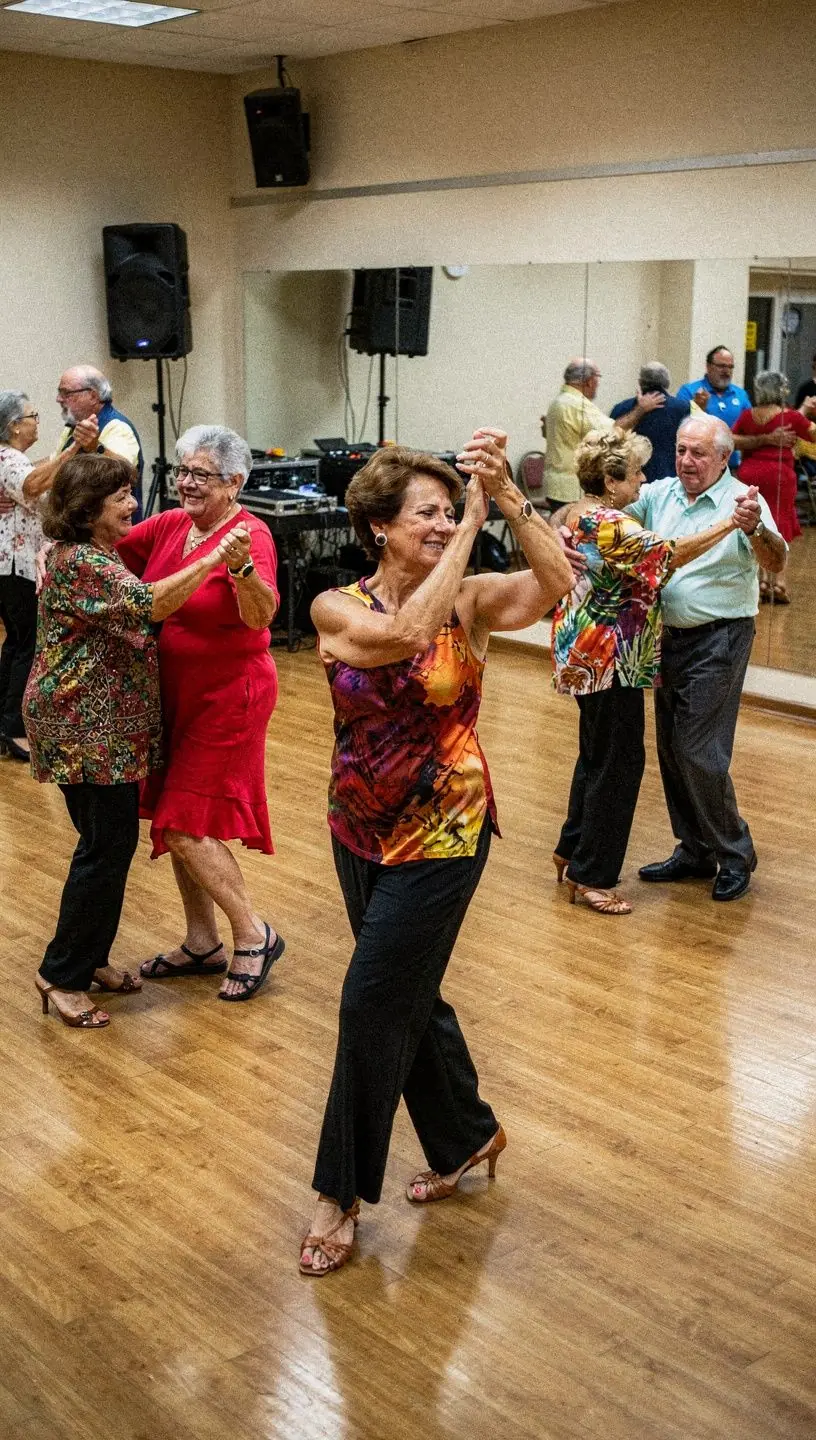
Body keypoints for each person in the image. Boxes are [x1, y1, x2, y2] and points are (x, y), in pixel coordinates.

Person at [299, 430, 573, 1277]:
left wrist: (507, 503)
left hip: (445, 833)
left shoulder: (472, 601)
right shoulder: (334, 606)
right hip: (358, 824)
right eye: (427, 512)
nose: (444, 522)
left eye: (449, 511)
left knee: (370, 1002)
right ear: (377, 524)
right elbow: (404, 636)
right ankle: (466, 1134)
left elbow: (559, 585)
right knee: (408, 992)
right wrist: (471, 526)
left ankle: (337, 1195)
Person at [24, 453, 250, 1029]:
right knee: (104, 850)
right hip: (84, 726)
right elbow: (150, 603)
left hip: (95, 725)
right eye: (121, 496)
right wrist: (213, 558)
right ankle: (63, 974)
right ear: (87, 507)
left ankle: (90, 958)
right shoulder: (83, 561)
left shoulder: (91, 555)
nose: (133, 505)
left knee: (108, 844)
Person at [116, 425, 285, 1002]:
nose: (185, 483)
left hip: (230, 694)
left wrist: (240, 573)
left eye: (200, 475)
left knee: (184, 823)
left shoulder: (250, 536)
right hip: (175, 694)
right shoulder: (171, 525)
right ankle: (201, 941)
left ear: (234, 483)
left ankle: (252, 934)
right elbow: (108, 549)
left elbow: (261, 617)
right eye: (182, 471)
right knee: (174, 811)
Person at [551, 428, 745, 915]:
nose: (645, 479)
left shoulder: (587, 514)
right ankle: (592, 876)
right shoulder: (610, 522)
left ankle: (571, 848)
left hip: (590, 651)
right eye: (637, 472)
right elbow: (668, 556)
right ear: (613, 480)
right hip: (609, 656)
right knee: (619, 764)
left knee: (595, 754)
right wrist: (727, 525)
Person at [631, 417, 786, 902]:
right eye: (680, 450)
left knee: (699, 750)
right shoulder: (660, 495)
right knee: (673, 752)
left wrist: (756, 528)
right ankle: (695, 849)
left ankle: (735, 854)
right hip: (667, 639)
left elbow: (776, 560)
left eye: (698, 453)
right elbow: (611, 511)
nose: (686, 461)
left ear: (724, 457)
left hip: (720, 638)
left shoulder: (744, 501)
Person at [0, 391, 79, 761]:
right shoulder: (9, 457)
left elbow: (36, 475)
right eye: (32, 415)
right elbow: (33, 485)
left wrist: (65, 454)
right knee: (28, 646)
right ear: (15, 425)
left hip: (10, 568)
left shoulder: (13, 458)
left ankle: (5, 724)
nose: (37, 420)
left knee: (16, 643)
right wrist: (72, 451)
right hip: (17, 568)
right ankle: (16, 731)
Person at [731, 370, 816, 603]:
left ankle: (760, 581)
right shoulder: (791, 417)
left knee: (755, 522)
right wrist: (808, 412)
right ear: (782, 390)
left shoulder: (748, 415)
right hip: (780, 475)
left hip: (750, 474)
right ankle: (778, 582)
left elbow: (732, 439)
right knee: (780, 523)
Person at [541, 358, 660, 510]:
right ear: (590, 381)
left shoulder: (557, 402)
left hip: (555, 484)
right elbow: (613, 431)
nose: (598, 383)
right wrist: (641, 408)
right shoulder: (577, 404)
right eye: (598, 378)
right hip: (570, 487)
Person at [54, 366, 145, 520]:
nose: (59, 399)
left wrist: (95, 447)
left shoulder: (117, 427)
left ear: (93, 396)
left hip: (112, 534)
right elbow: (54, 465)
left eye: (66, 393)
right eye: (59, 392)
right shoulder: (73, 427)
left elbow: (126, 473)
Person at [609, 362, 692, 483]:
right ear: (667, 382)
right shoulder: (683, 408)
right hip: (671, 479)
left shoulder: (621, 408)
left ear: (640, 382)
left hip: (630, 480)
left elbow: (610, 438)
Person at [675, 347, 750, 469]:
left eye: (730, 367)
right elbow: (682, 431)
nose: (726, 371)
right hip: (700, 467)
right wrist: (697, 409)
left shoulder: (741, 394)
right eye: (721, 366)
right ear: (708, 366)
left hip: (732, 467)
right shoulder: (689, 391)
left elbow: (750, 431)